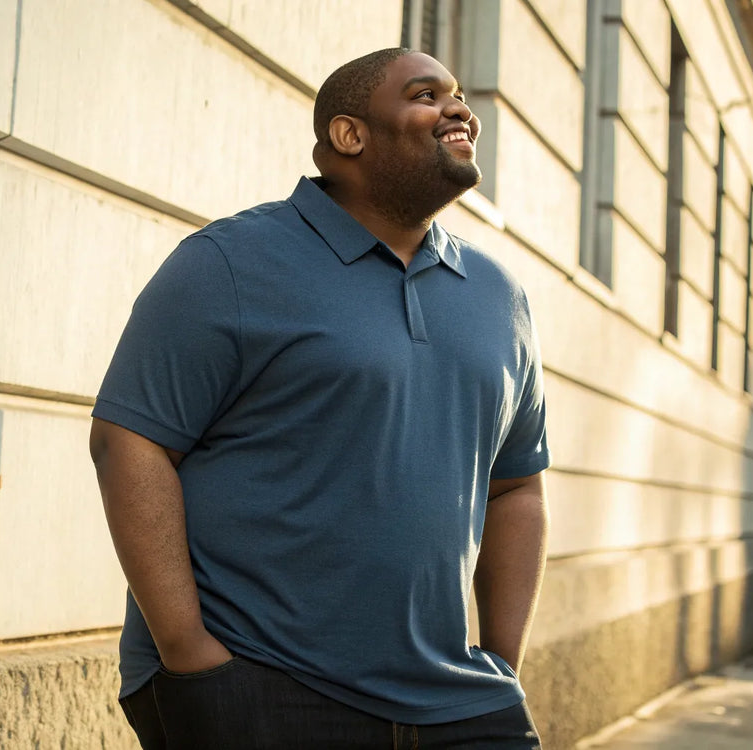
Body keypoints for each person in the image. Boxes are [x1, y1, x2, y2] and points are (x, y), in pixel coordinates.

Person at [89, 47, 549, 749]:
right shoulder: (230, 263)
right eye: (427, 95)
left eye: (459, 96)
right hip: (263, 683)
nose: (460, 110)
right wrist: (189, 654)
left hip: (457, 698)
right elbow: (128, 441)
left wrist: (504, 661)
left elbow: (517, 487)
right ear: (349, 135)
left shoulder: (498, 296)